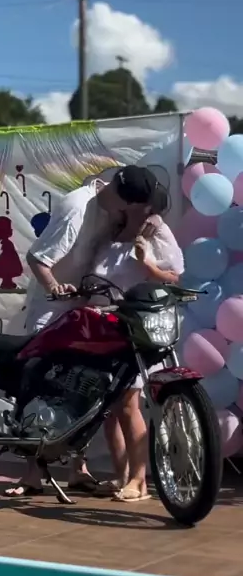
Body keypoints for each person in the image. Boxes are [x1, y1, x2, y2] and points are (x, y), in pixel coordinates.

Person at [5, 164, 163, 498]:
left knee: (83, 389)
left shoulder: (110, 203)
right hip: (52, 308)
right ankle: (32, 473)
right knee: (38, 384)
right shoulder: (76, 207)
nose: (132, 213)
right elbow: (37, 259)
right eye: (133, 206)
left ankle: (79, 470)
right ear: (122, 199)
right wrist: (54, 287)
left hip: (84, 308)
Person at [90, 185, 184, 502]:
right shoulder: (112, 229)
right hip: (104, 325)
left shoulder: (155, 230)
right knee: (110, 409)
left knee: (129, 403)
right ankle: (121, 475)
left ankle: (139, 480)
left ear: (141, 204)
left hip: (135, 327)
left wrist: (148, 265)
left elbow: (173, 277)